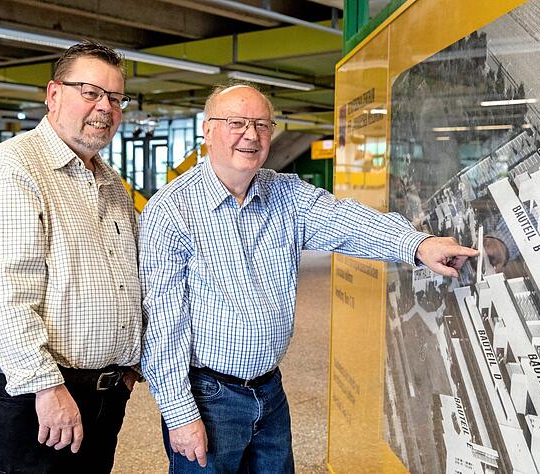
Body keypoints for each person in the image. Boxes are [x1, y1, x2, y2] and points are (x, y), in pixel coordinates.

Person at [139, 83, 479, 472]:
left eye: (262, 125)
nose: (251, 135)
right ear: (208, 130)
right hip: (208, 397)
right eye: (236, 123)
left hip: (269, 390)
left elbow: (349, 222)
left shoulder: (286, 194)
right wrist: (180, 414)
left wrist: (418, 245)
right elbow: (163, 324)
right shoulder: (171, 210)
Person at [0, 41, 141, 473]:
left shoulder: (110, 181)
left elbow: (126, 272)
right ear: (54, 94)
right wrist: (46, 387)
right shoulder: (12, 169)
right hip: (33, 396)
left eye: (116, 98)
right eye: (91, 92)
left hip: (102, 392)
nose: (106, 107)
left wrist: (130, 360)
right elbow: (0, 293)